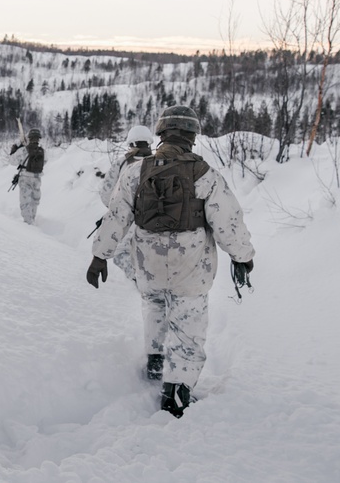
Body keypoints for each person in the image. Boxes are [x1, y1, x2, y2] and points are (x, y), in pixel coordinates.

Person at [86, 106, 255, 419]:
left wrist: (100, 256)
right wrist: (242, 256)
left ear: (161, 132)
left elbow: (116, 214)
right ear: (192, 135)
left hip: (147, 260)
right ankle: (175, 392)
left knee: (153, 306)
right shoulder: (203, 172)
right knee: (188, 325)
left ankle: (154, 358)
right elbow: (228, 221)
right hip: (190, 264)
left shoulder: (136, 170)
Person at [97, 125, 156, 283]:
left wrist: (118, 209)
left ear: (131, 143)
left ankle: (140, 281)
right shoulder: (159, 162)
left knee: (120, 254)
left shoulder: (122, 163)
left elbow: (106, 194)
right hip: (154, 221)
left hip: (128, 220)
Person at [9, 128, 45, 225]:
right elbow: (45, 162)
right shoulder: (42, 151)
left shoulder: (23, 150)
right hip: (37, 178)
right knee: (34, 200)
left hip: (25, 178)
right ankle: (32, 219)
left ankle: (28, 224)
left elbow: (12, 161)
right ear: (39, 139)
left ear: (29, 138)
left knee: (25, 201)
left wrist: (14, 149)